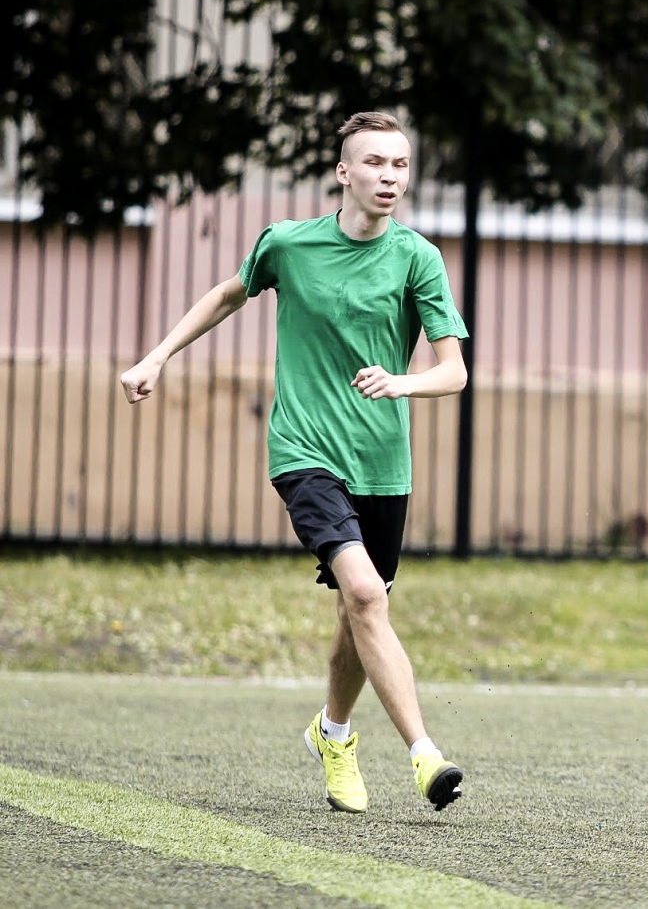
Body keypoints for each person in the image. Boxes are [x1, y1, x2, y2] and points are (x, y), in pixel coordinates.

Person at [119, 111, 470, 814]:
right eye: (375, 163)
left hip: (383, 464)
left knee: (357, 609)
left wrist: (402, 382)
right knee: (368, 595)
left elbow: (453, 371)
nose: (389, 177)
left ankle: (333, 731)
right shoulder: (289, 243)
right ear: (344, 171)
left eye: (400, 165)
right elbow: (228, 292)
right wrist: (158, 353)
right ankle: (425, 753)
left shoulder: (417, 258)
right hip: (305, 452)